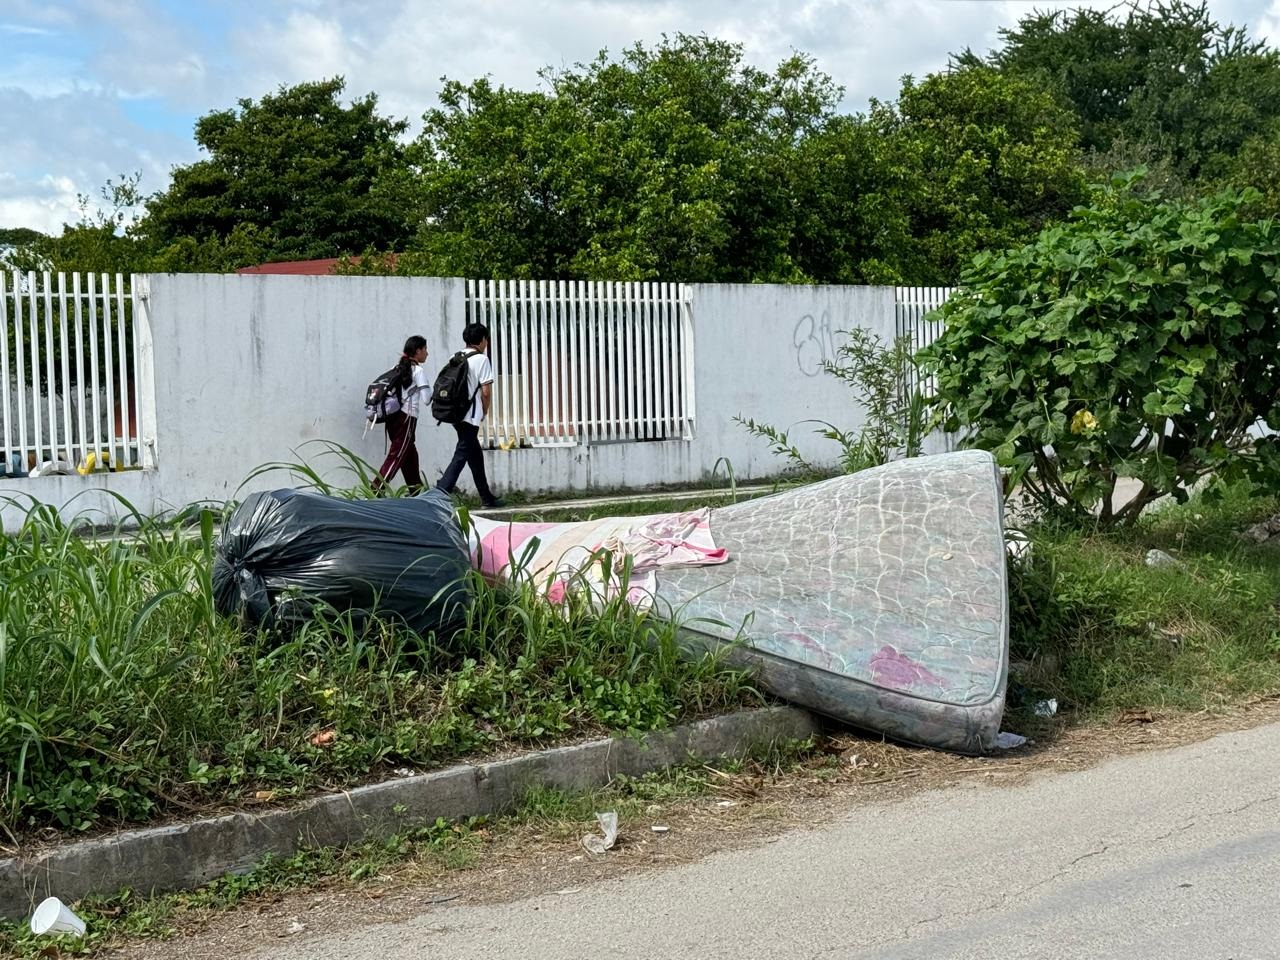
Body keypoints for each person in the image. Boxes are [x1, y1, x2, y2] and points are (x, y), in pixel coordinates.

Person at [436, 322, 504, 508]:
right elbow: (486, 391)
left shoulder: (455, 356)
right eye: (486, 339)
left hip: (455, 412)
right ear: (483, 340)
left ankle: (487, 498)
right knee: (462, 453)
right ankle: (441, 491)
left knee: (474, 455)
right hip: (471, 414)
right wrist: (485, 409)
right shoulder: (481, 359)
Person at [373, 335, 430, 495]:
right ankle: (375, 490)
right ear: (418, 351)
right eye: (425, 349)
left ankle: (416, 492)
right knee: (397, 455)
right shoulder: (418, 371)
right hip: (407, 418)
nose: (427, 353)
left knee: (409, 454)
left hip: (393, 418)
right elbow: (426, 399)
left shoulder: (396, 368)